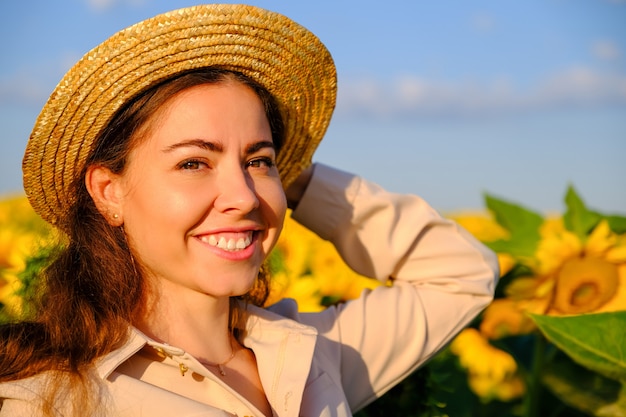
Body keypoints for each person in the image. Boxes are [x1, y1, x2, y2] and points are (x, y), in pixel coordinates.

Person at [0, 4, 498, 417]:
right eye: (194, 162)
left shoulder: (311, 354)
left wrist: (291, 175)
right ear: (108, 191)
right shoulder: (45, 400)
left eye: (259, 161)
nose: (242, 196)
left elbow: (463, 272)